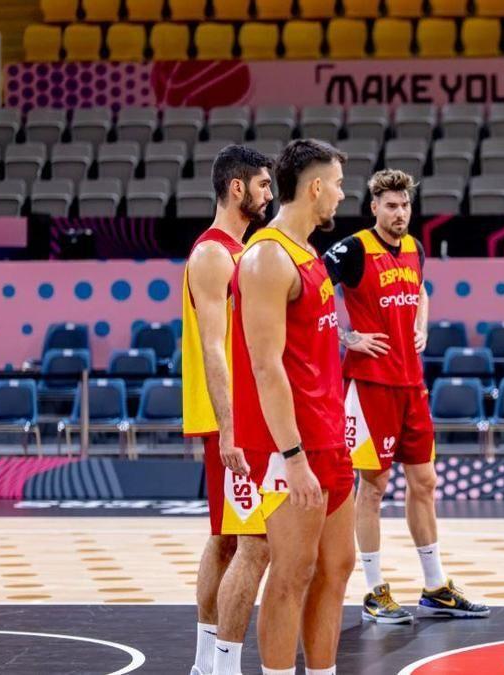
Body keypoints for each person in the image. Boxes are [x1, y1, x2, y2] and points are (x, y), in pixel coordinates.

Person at [323, 169, 489, 624]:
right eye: (391, 206)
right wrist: (345, 335)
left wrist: (422, 323)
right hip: (370, 385)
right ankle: (375, 591)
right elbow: (310, 288)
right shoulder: (354, 248)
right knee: (372, 488)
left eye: (405, 206)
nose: (400, 213)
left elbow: (419, 290)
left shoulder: (415, 248)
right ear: (374, 207)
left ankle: (435, 587)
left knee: (425, 483)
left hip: (411, 384)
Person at [228, 138, 356, 675]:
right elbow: (265, 366)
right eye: (340, 184)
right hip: (292, 448)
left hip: (330, 435)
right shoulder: (266, 257)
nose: (343, 195)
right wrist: (294, 454)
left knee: (337, 568)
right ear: (316, 187)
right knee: (291, 574)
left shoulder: (308, 254)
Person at [182, 144, 274, 675]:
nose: (268, 194)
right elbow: (214, 348)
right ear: (236, 188)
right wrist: (230, 428)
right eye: (263, 185)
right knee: (251, 544)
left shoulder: (242, 252)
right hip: (233, 422)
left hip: (246, 418)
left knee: (223, 540)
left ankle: (202, 663)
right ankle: (221, 665)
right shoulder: (214, 254)